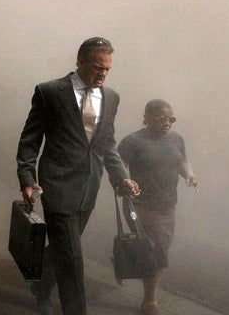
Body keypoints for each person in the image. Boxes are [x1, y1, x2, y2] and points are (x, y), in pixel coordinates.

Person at [16, 37, 140, 315]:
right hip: (56, 187)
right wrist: (27, 178)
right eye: (98, 67)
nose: (103, 74)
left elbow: (107, 143)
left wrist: (121, 177)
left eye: (108, 69)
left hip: (88, 189)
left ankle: (40, 288)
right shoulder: (49, 91)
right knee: (72, 260)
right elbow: (29, 140)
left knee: (64, 250)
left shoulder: (111, 97)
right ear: (80, 61)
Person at [117, 99, 201, 315]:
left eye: (170, 119)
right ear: (147, 118)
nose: (167, 123)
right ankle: (150, 302)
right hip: (140, 204)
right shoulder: (133, 141)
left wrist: (189, 175)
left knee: (156, 248)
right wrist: (125, 182)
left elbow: (183, 161)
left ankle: (123, 260)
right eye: (161, 119)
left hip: (167, 204)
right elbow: (117, 167)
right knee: (156, 250)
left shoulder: (176, 139)